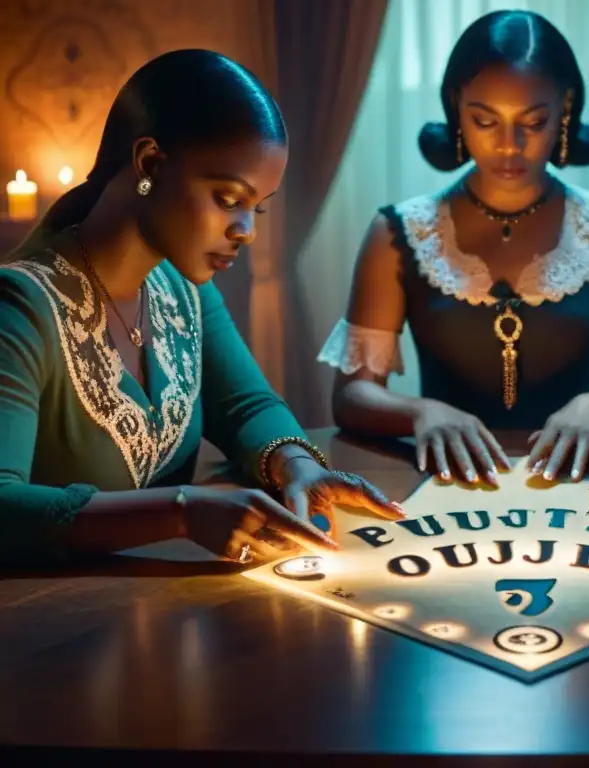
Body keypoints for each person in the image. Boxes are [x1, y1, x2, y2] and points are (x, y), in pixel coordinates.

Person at [0, 50, 403, 567]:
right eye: (227, 197)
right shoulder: (22, 306)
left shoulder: (181, 290)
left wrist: (298, 464)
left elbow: (246, 407)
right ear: (149, 163)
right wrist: (183, 512)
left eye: (256, 207)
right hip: (52, 627)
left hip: (174, 610)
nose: (247, 230)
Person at [319, 10, 589, 487]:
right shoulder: (400, 231)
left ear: (566, 108)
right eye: (484, 120)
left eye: (532, 122)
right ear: (456, 107)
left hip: (574, 484)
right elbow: (351, 397)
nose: (509, 146)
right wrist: (421, 413)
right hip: (443, 484)